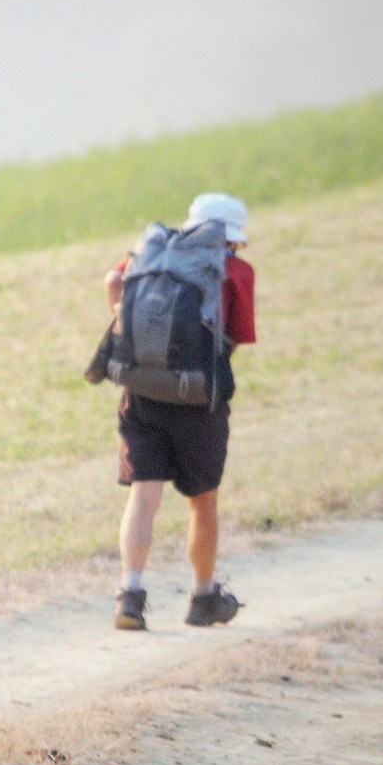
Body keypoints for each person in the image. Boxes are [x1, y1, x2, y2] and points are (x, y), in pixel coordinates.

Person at [105, 191, 255, 631]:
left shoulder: (152, 254)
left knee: (144, 493)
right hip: (198, 402)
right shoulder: (236, 271)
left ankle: (129, 596)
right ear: (230, 238)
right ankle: (203, 597)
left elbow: (113, 281)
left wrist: (122, 326)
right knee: (202, 502)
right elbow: (239, 336)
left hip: (143, 393)